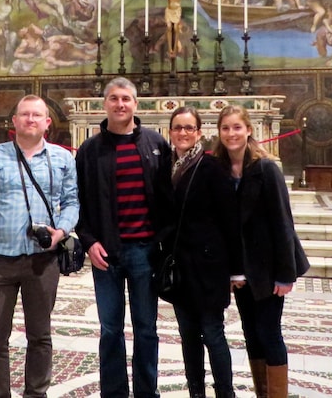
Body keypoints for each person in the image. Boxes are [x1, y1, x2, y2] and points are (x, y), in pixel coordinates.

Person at [75, 77, 173, 398]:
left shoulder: (156, 144)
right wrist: (88, 241)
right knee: (110, 330)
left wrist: (164, 242)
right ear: (105, 104)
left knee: (146, 329)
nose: (120, 104)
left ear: (136, 104)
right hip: (106, 252)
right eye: (114, 98)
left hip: (145, 251)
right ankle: (114, 393)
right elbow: (80, 201)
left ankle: (147, 392)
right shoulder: (90, 150)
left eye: (126, 99)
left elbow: (168, 198)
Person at [0, 95, 79, 398]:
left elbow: (73, 201)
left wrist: (61, 231)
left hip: (42, 260)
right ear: (14, 121)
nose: (31, 120)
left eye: (37, 115)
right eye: (25, 115)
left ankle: (36, 394)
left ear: (48, 122)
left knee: (40, 335)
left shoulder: (63, 158)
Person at [213, 105, 302, 398]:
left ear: (249, 130)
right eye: (226, 128)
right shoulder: (220, 170)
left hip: (268, 268)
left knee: (269, 333)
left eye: (237, 127)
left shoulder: (265, 169)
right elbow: (224, 226)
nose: (231, 134)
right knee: (251, 335)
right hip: (241, 271)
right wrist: (231, 270)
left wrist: (285, 275)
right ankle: (263, 392)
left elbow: (282, 222)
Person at [164, 107, 238, 398]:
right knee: (188, 336)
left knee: (213, 333)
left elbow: (228, 219)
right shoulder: (166, 166)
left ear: (198, 132)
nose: (183, 133)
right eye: (177, 127)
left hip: (209, 267)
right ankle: (196, 391)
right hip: (181, 267)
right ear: (170, 132)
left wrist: (235, 268)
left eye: (189, 128)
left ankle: (225, 393)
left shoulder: (211, 167)